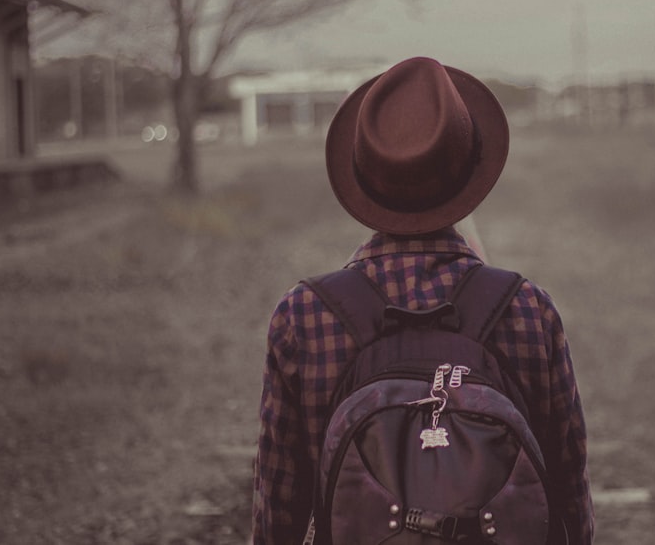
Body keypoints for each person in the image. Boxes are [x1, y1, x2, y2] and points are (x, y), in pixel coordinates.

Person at [252, 56, 594, 544]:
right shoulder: (528, 309)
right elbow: (566, 487)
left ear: (364, 175)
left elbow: (278, 500)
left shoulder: (304, 314)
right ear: (468, 172)